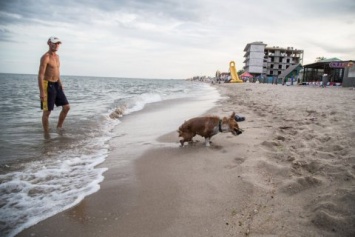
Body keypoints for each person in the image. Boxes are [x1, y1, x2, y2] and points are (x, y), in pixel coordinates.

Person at [38, 36, 70, 133]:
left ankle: (59, 127)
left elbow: (57, 71)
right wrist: (42, 92)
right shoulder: (45, 57)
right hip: (47, 85)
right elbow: (40, 75)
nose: (56, 45)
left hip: (57, 84)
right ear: (49, 43)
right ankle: (46, 133)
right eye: (54, 43)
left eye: (58, 43)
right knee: (47, 112)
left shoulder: (57, 57)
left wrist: (60, 83)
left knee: (66, 107)